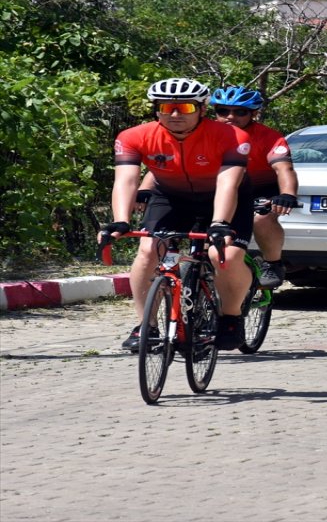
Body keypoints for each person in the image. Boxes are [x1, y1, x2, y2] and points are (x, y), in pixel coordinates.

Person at [99, 78, 253, 351]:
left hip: (224, 197)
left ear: (201, 109)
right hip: (170, 197)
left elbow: (228, 183)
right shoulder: (133, 137)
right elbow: (125, 180)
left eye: (183, 108)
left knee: (224, 255)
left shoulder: (233, 136)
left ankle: (231, 316)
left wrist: (219, 223)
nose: (174, 114)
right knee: (148, 251)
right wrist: (121, 220)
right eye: (167, 107)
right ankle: (146, 326)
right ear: (156, 109)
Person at [207, 85, 297, 289]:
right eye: (223, 111)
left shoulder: (269, 137)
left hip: (261, 188)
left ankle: (273, 263)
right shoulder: (205, 133)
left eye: (240, 112)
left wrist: (287, 194)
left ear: (253, 114)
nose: (230, 116)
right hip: (221, 187)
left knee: (262, 218)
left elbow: (284, 169)